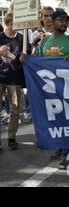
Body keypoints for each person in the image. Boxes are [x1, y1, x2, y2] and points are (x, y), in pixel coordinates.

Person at [37, 10, 69, 168]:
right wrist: (26, 59)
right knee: (56, 119)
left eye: (67, 21)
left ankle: (68, 154)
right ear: (52, 20)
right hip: (50, 90)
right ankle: (60, 147)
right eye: (61, 20)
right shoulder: (44, 42)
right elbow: (37, 62)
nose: (65, 23)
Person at [0, 13, 25, 151]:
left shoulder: (22, 38)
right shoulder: (0, 37)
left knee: (15, 110)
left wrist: (19, 57)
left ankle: (11, 138)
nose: (16, 27)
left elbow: (23, 57)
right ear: (7, 23)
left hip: (14, 78)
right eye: (13, 24)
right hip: (0, 77)